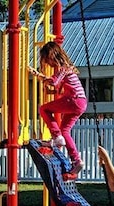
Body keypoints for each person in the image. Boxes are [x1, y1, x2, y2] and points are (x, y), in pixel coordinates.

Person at [29, 41, 88, 179]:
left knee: (44, 109)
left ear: (52, 55)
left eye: (47, 59)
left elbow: (53, 82)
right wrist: (47, 83)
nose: (48, 63)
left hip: (74, 100)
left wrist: (39, 76)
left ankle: (56, 137)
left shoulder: (63, 68)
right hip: (81, 102)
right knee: (65, 130)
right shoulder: (67, 69)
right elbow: (58, 88)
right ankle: (77, 160)